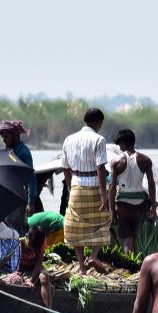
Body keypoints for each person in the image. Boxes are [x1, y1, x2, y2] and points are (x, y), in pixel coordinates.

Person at [61, 108, 110, 274]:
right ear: (98, 122)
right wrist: (104, 195)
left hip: (76, 186)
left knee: (76, 227)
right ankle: (93, 256)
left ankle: (82, 268)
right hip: (95, 185)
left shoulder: (69, 139)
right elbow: (101, 168)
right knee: (104, 221)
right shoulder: (99, 140)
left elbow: (65, 168)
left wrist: (70, 187)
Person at [3, 225, 60, 313]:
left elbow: (38, 264)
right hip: (17, 270)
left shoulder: (40, 244)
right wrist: (20, 277)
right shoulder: (19, 243)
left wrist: (31, 280)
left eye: (35, 249)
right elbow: (13, 267)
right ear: (27, 237)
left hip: (33, 271)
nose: (32, 250)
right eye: (31, 247)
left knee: (45, 278)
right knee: (17, 281)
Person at [108, 128, 156, 253]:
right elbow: (151, 183)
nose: (119, 147)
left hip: (123, 203)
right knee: (134, 235)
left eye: (119, 144)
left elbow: (112, 187)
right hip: (139, 203)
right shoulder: (145, 160)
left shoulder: (116, 161)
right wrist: (154, 206)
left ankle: (129, 265)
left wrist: (112, 209)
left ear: (123, 143)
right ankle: (136, 265)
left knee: (127, 238)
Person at [0, 120, 36, 234]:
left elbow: (31, 178)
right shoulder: (9, 151)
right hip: (6, 197)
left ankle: (19, 251)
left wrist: (30, 202)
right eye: (3, 138)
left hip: (18, 198)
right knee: (6, 229)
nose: (4, 140)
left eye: (6, 137)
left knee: (16, 230)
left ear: (15, 136)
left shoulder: (23, 152)